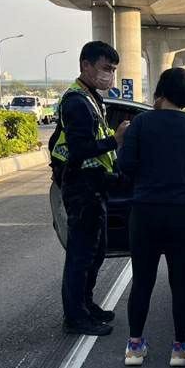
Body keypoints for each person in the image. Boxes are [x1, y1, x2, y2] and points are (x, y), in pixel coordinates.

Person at [116, 68, 185, 367]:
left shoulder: (140, 124)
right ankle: (180, 347)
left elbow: (125, 167)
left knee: (142, 281)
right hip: (182, 214)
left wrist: (120, 141)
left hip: (144, 213)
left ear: (160, 91)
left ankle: (135, 347)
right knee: (181, 282)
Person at [52, 41, 129, 336]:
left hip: (95, 185)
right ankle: (75, 318)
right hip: (81, 187)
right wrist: (115, 140)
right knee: (81, 255)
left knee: (95, 252)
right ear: (86, 65)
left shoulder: (91, 98)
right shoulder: (76, 102)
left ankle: (86, 305)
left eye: (113, 70)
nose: (110, 75)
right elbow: (81, 149)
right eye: (106, 68)